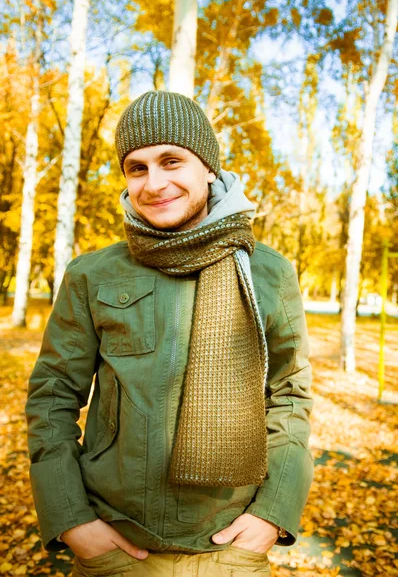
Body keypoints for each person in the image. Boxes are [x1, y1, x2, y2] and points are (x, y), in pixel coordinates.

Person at [25, 90, 313, 577]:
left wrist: (272, 515)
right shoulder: (92, 275)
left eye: (171, 161)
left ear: (208, 168)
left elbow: (290, 394)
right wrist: (72, 520)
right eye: (137, 168)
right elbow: (51, 397)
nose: (154, 183)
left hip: (231, 550)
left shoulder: (268, 273)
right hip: (115, 546)